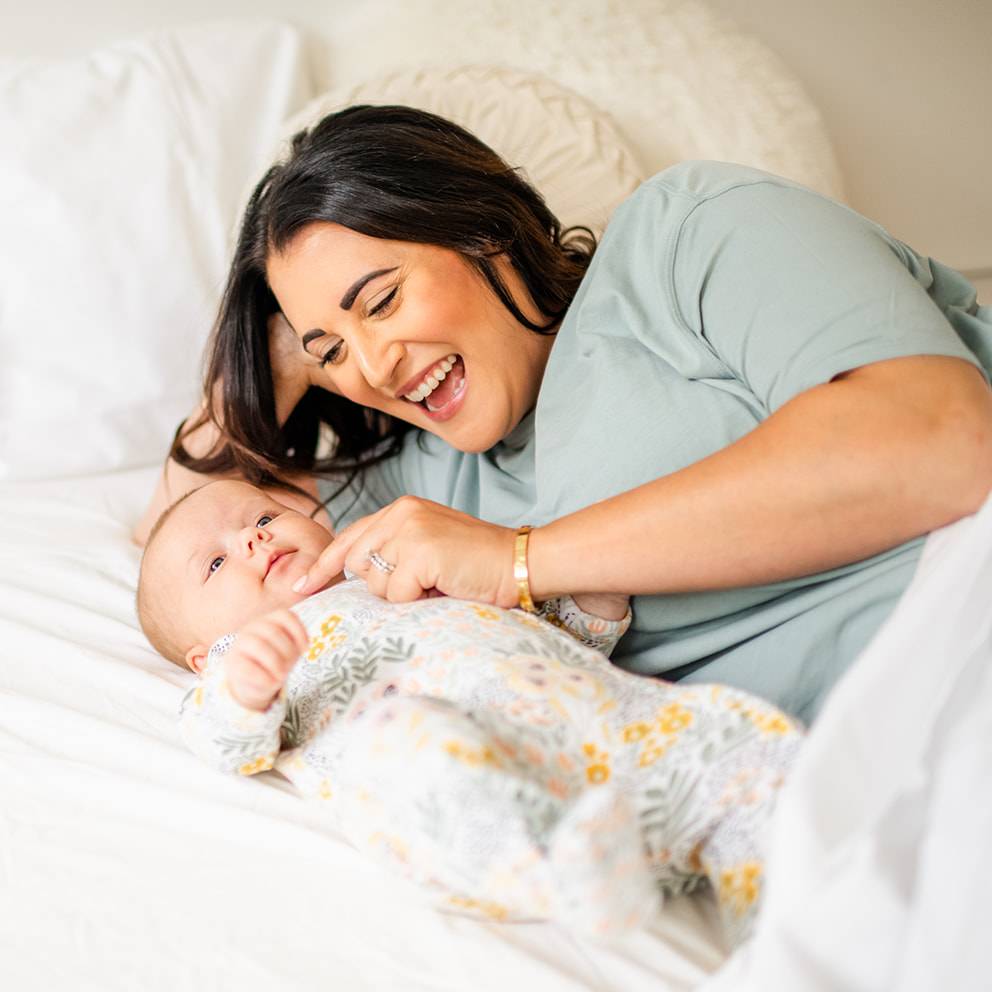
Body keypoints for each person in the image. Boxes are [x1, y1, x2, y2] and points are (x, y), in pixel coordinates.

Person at [135, 105, 992, 723]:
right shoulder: (419, 482)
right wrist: (276, 348)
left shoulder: (684, 234)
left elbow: (943, 442)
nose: (373, 368)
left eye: (383, 300)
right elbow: (179, 542)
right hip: (874, 764)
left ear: (482, 229)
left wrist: (519, 562)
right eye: (333, 352)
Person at [136, 478, 803, 944]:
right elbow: (223, 739)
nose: (254, 541)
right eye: (217, 562)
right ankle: (556, 869)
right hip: (495, 788)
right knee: (399, 749)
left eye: (261, 518)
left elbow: (538, 630)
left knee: (734, 739)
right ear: (201, 654)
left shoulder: (396, 572)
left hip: (607, 737)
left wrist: (587, 602)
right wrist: (246, 686)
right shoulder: (232, 670)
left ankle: (788, 932)